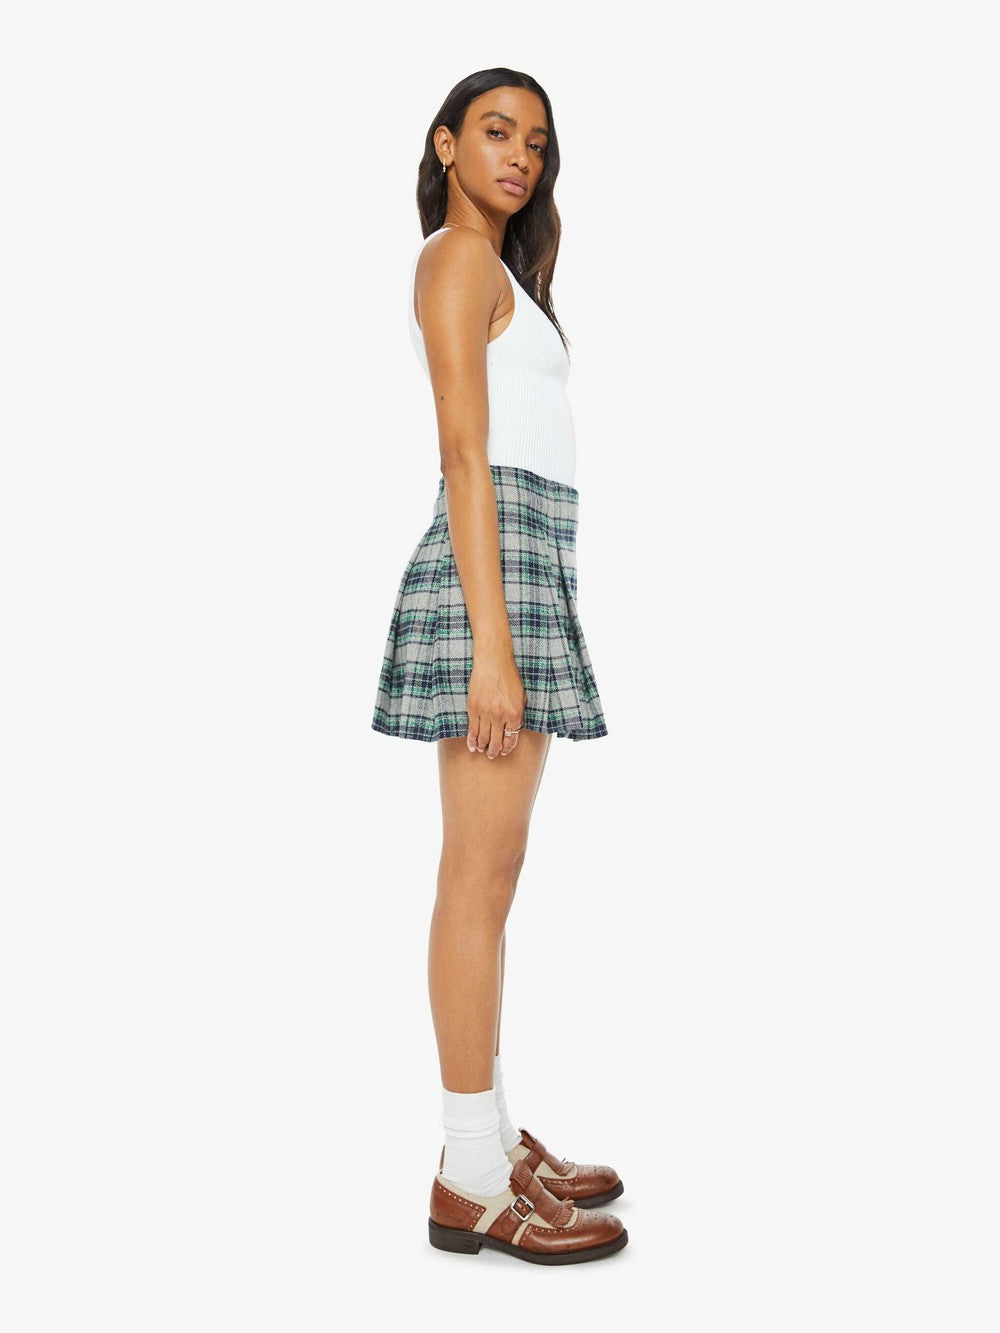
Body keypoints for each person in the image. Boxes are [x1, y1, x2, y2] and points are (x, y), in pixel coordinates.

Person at [371, 68, 627, 1265]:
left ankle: (492, 1135)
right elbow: (464, 456)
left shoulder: (502, 270)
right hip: (493, 582)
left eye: (536, 140)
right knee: (476, 876)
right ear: (445, 145)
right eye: (494, 131)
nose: (520, 155)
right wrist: (491, 646)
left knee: (494, 872)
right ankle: (468, 1171)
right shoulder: (454, 259)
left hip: (525, 566)